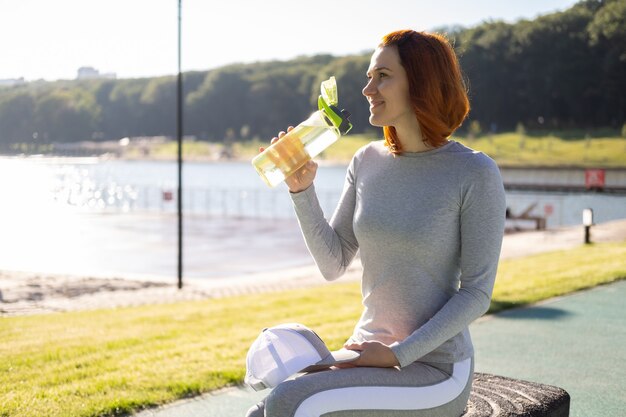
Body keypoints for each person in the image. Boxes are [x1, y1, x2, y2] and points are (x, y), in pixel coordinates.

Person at [247, 29, 506, 417]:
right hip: (365, 352)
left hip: (436, 371)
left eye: (382, 76)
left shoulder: (475, 172)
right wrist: (302, 190)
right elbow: (333, 263)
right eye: (369, 76)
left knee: (290, 402)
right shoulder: (367, 161)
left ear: (421, 82)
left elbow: (476, 293)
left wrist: (397, 355)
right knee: (262, 410)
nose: (368, 89)